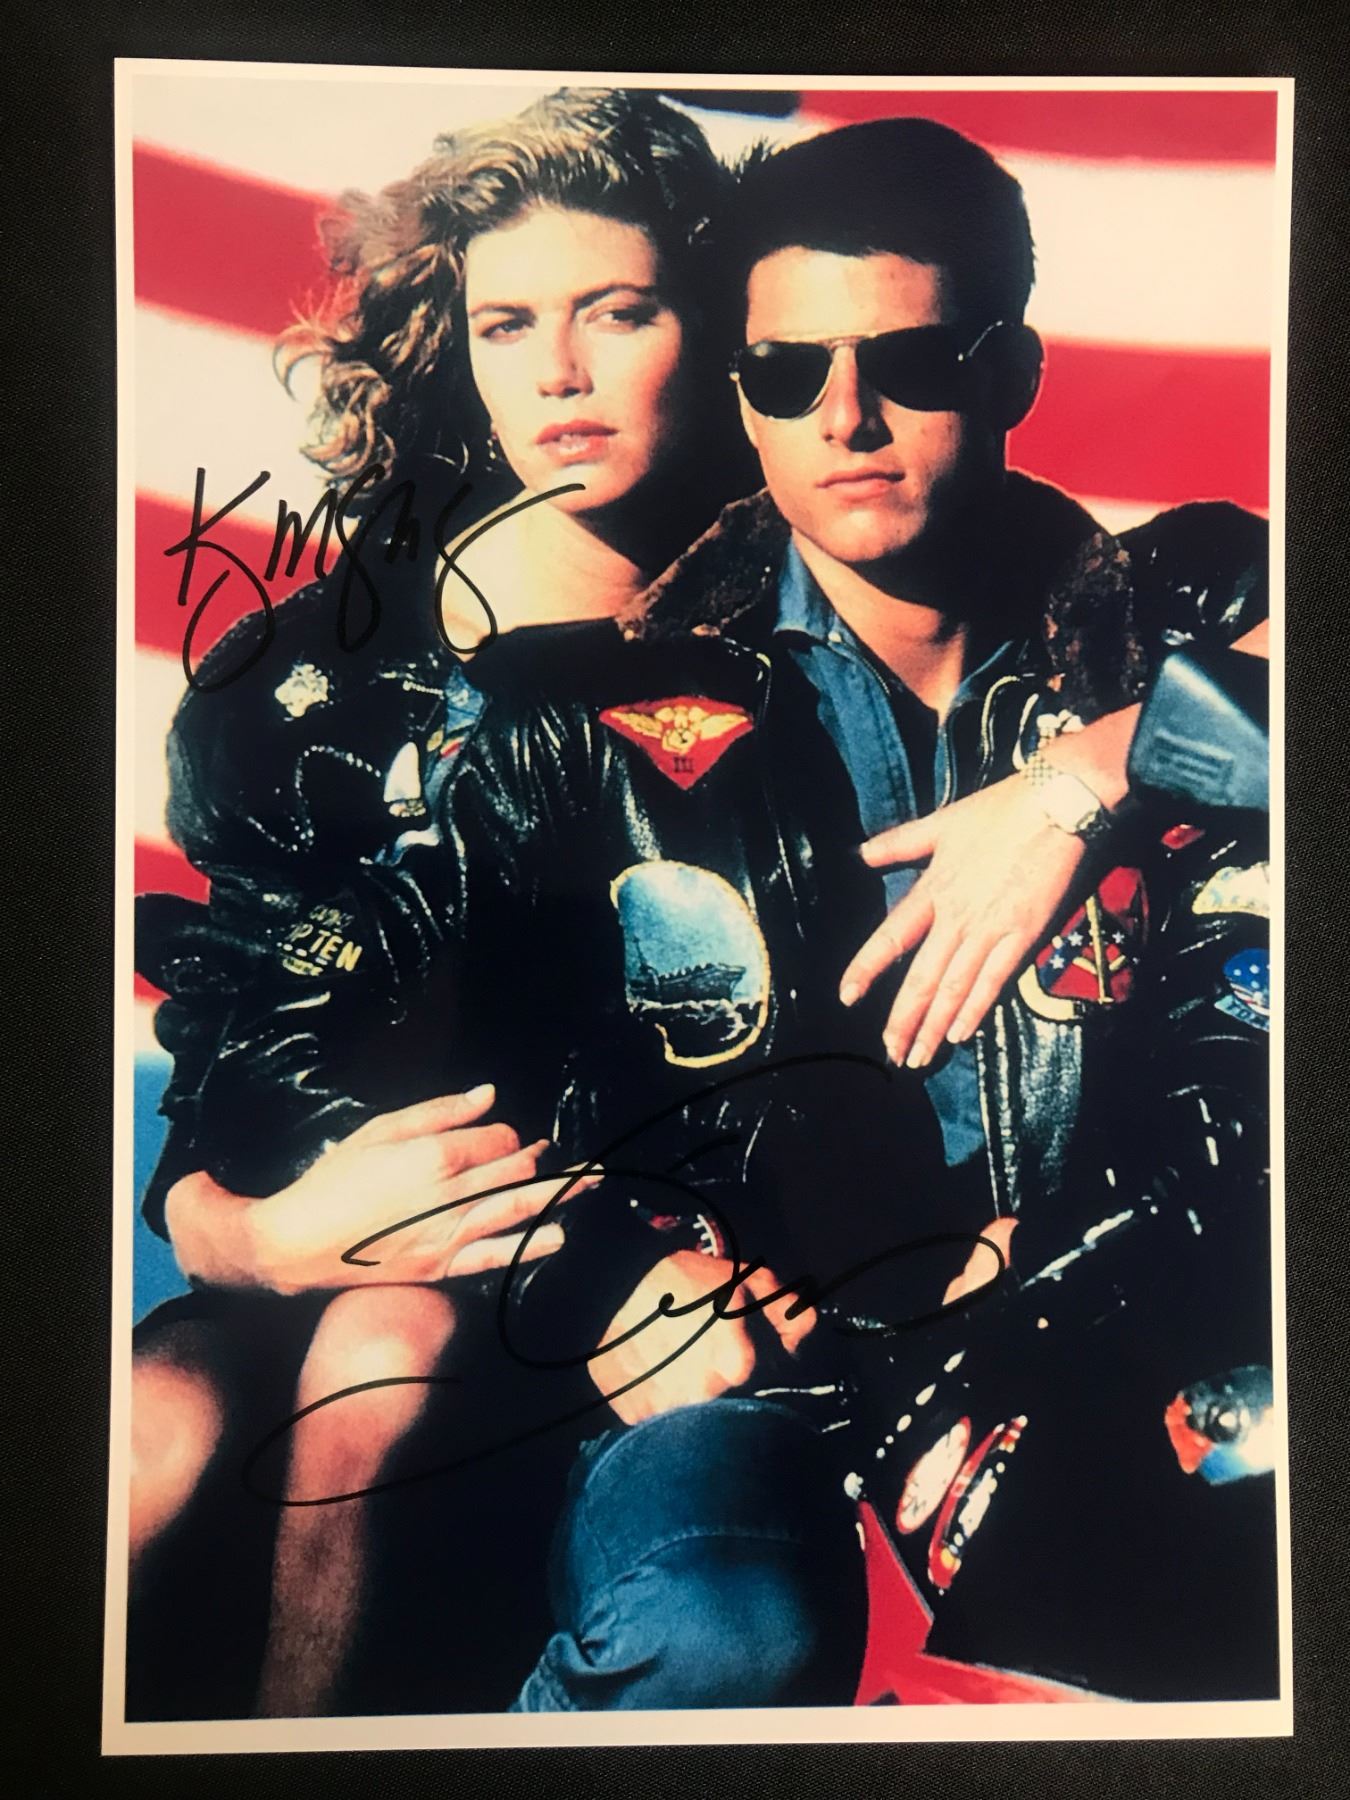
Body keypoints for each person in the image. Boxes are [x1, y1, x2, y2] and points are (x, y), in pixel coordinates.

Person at [170, 115, 1273, 1707]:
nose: (846, 417)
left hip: (1094, 1311)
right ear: (746, 387)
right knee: (707, 1617)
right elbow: (293, 1042)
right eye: (789, 373)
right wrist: (577, 1268)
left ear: (1012, 372)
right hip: (750, 1356)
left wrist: (1093, 773)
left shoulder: (1158, 620)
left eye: (913, 362)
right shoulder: (574, 705)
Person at [129, 86, 762, 1720]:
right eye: (507, 324)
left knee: (379, 1367)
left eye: (618, 312)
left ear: (714, 326)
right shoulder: (314, 679)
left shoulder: (804, 633)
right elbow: (227, 1046)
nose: (557, 371)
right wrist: (247, 1235)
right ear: (454, 352)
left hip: (631, 1294)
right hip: (327, 1251)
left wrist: (582, 1255)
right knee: (149, 1433)